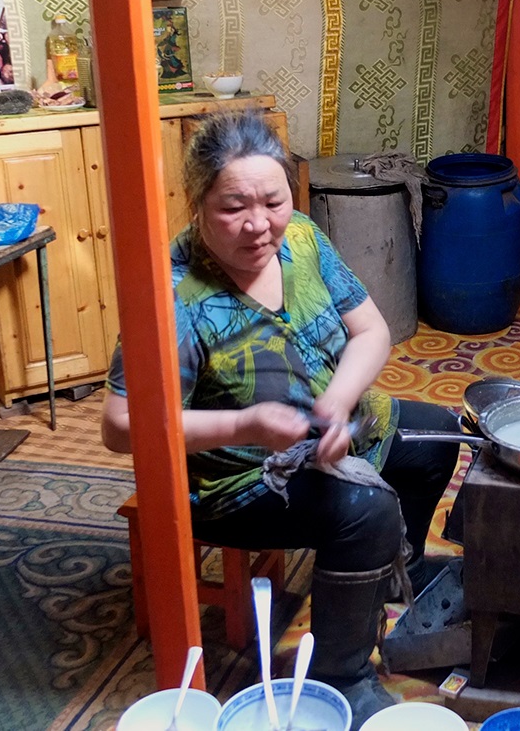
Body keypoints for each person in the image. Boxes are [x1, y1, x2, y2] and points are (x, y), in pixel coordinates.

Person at [100, 110, 460, 729]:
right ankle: (341, 676)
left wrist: (339, 401)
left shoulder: (300, 239)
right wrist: (245, 426)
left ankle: (396, 576)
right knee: (363, 512)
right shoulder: (173, 296)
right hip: (238, 478)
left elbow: (370, 330)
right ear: (197, 204)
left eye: (273, 200)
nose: (259, 224)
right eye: (233, 207)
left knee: (436, 436)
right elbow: (118, 426)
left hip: (331, 425)